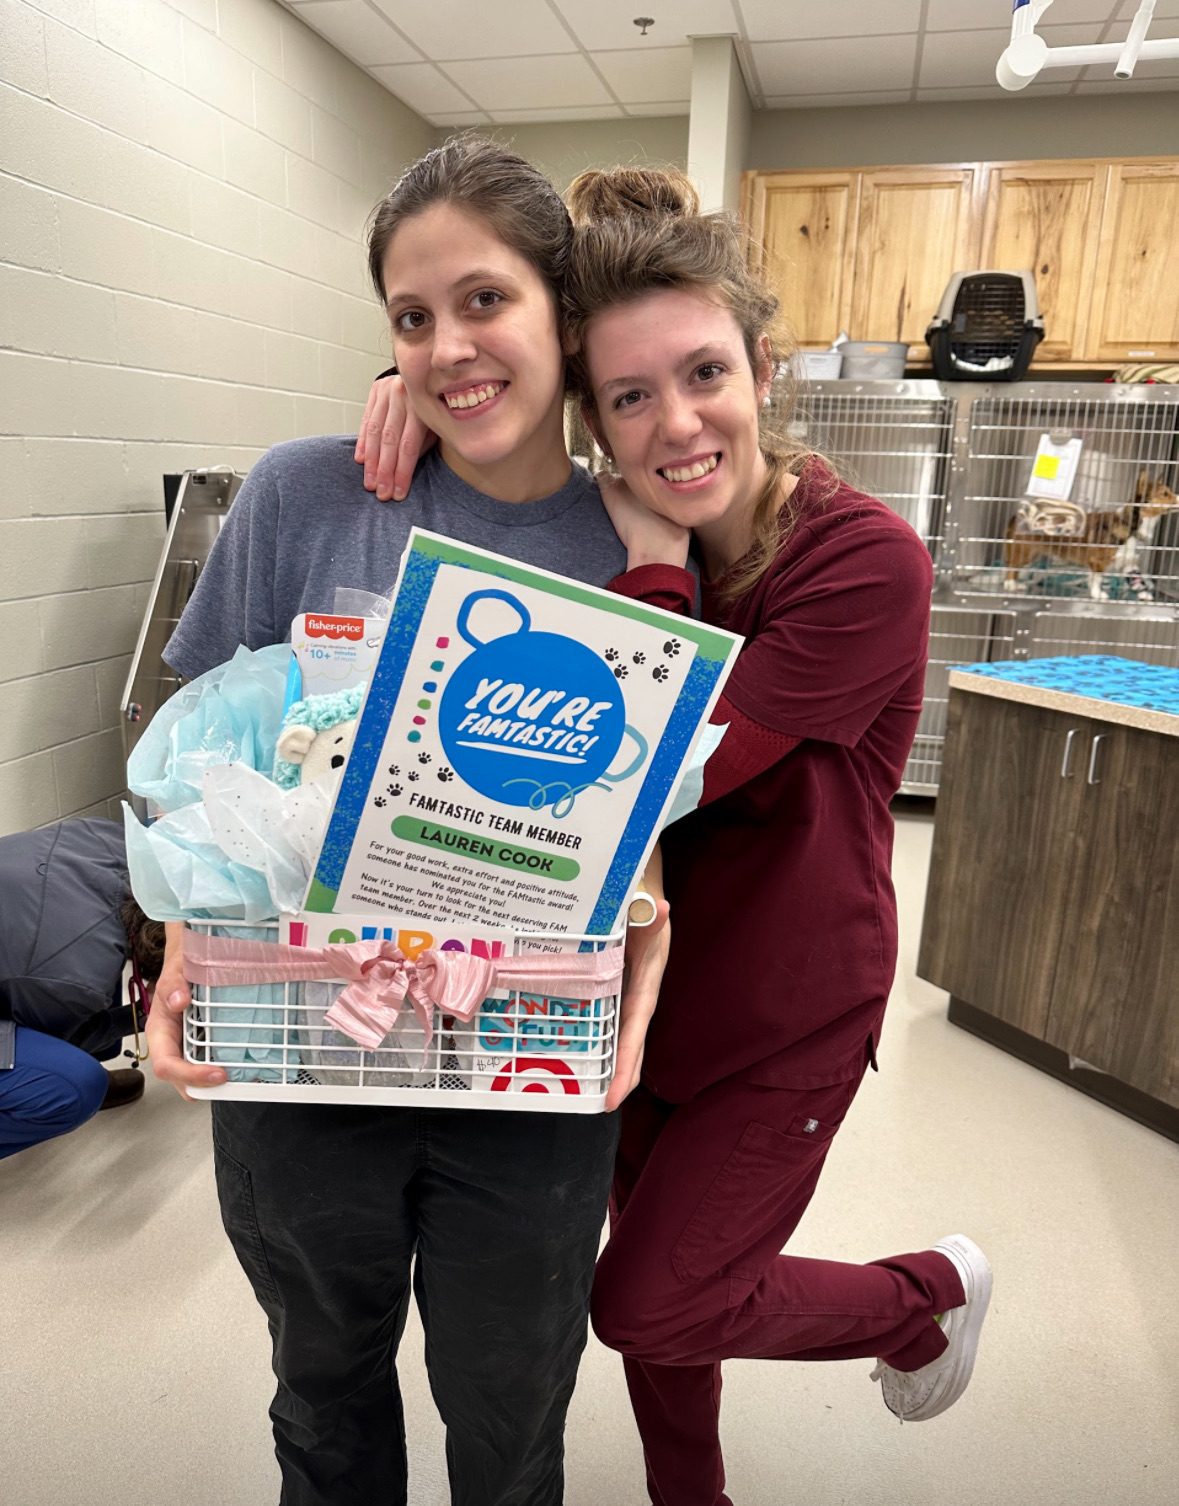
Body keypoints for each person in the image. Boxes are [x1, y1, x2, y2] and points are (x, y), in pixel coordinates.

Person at [354, 164, 993, 1506]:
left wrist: (648, 564)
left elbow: (650, 777)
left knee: (653, 1298)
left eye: (704, 374)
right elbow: (491, 400)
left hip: (784, 1016)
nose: (678, 424)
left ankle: (919, 1297)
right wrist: (410, 391)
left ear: (762, 366)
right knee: (673, 1309)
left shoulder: (858, 559)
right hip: (639, 995)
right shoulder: (631, 526)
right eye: (631, 396)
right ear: (593, 415)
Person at [145, 138, 669, 1506]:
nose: (449, 348)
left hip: (526, 1069)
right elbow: (205, 765)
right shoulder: (308, 496)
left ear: (563, 307)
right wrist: (174, 950)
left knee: (511, 1416)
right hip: (304, 1055)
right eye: (412, 317)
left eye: (485, 300)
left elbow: (647, 811)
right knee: (322, 1397)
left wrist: (646, 958)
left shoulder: (640, 541)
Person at [0, 818, 160, 1160]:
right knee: (77, 1086)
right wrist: (147, 1014)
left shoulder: (118, 839)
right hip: (46, 964)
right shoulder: (67, 974)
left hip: (29, 933)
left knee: (98, 966)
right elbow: (64, 1034)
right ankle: (47, 1078)